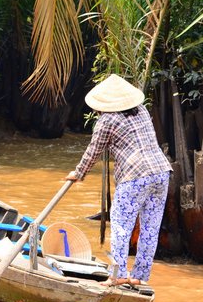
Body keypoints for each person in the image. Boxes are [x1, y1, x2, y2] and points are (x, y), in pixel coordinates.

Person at [66, 74, 171, 286]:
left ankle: (119, 275)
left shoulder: (107, 120)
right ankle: (140, 277)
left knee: (121, 226)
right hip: (161, 173)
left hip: (135, 176)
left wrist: (78, 173)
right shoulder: (142, 111)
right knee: (150, 229)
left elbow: (93, 151)